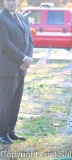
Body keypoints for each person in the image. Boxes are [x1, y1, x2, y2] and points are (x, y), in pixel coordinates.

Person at [0, 0, 33, 144]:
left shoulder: (23, 17)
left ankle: (11, 130)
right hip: (7, 68)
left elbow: (30, 40)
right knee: (4, 103)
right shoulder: (1, 18)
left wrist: (28, 59)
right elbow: (5, 43)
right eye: (8, 0)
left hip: (21, 68)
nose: (12, 2)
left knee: (15, 102)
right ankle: (2, 133)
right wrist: (23, 58)